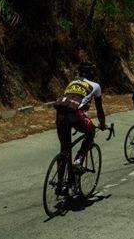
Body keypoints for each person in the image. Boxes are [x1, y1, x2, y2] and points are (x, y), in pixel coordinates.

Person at [53, 61, 106, 191]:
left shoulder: (72, 83)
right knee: (91, 131)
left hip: (60, 114)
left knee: (64, 150)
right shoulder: (96, 86)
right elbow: (99, 109)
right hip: (75, 115)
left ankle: (60, 184)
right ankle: (78, 160)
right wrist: (102, 124)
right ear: (92, 73)